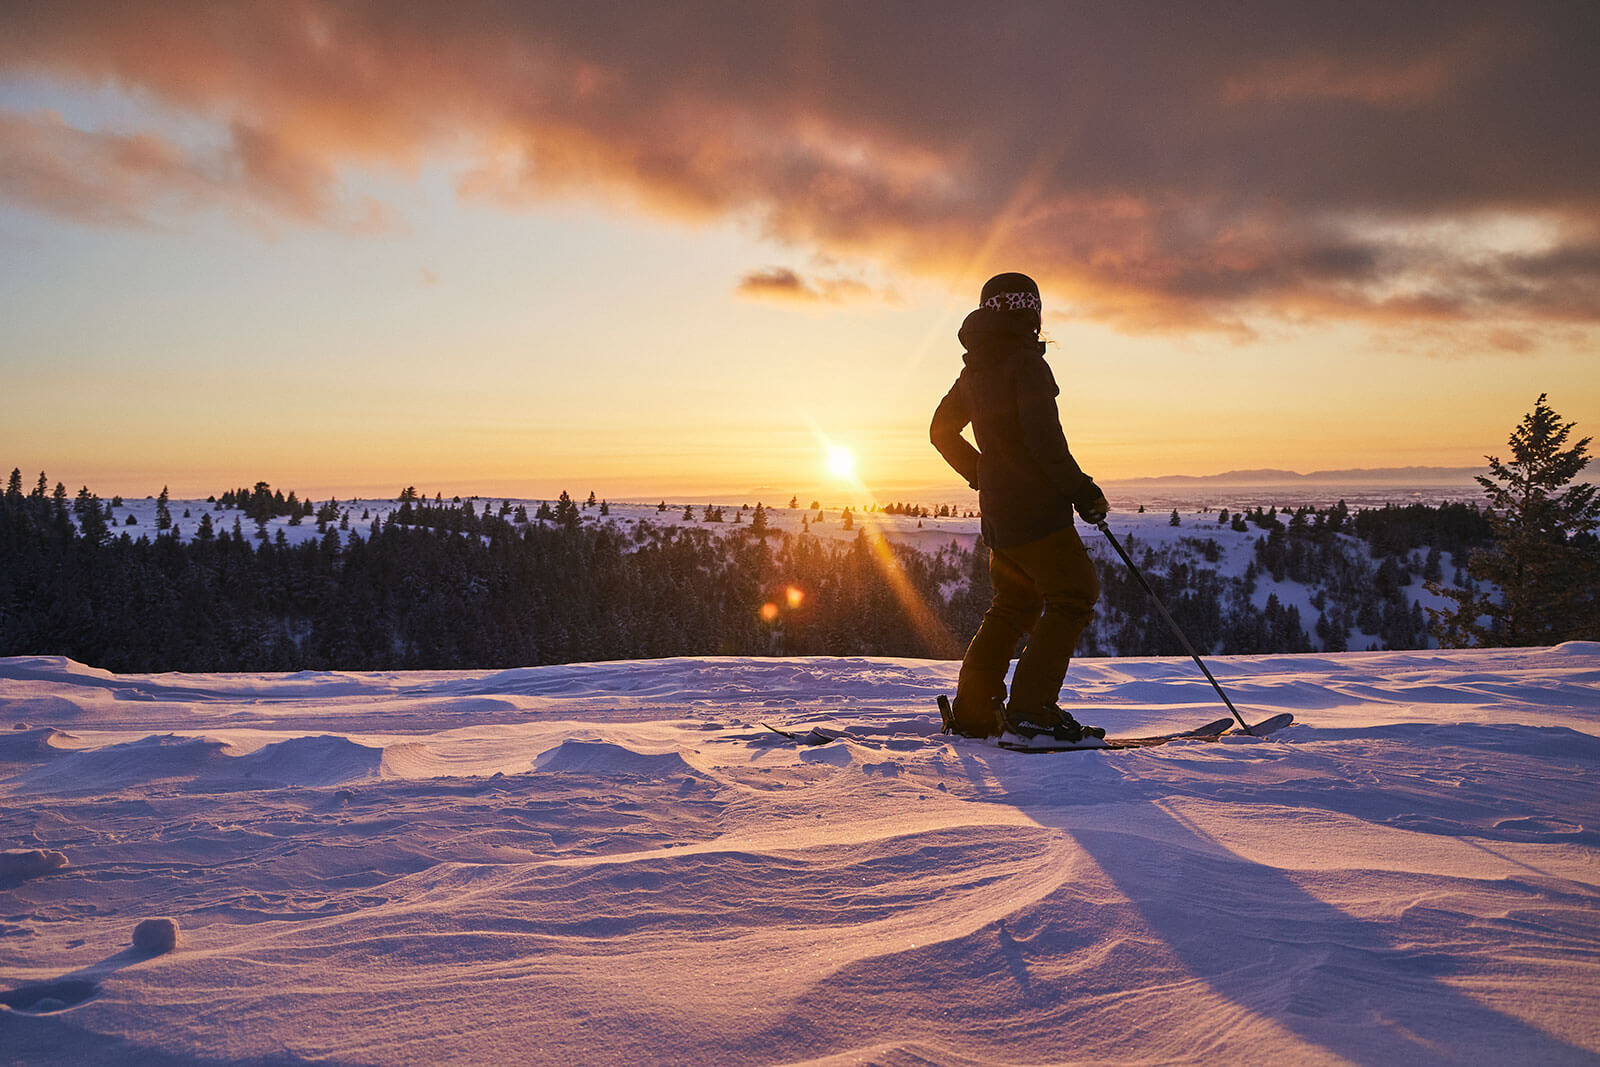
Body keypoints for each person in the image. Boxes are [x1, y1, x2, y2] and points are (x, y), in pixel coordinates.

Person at [930, 272, 1109, 743]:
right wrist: (1085, 492)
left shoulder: (976, 369)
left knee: (1013, 605)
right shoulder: (1026, 365)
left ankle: (973, 714)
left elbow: (940, 432)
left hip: (1000, 515)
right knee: (1073, 595)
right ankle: (1031, 714)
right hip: (1037, 513)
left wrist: (984, 475)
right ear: (1032, 312)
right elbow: (1046, 444)